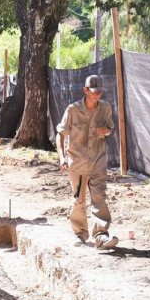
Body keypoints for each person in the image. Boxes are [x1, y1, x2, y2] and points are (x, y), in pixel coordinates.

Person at [56, 75, 118, 250]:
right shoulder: (73, 110)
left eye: (99, 92)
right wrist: (62, 158)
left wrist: (106, 131)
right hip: (78, 162)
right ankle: (80, 232)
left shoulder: (105, 108)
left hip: (98, 160)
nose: (97, 95)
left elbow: (111, 128)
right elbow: (60, 134)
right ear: (85, 90)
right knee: (79, 200)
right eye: (93, 92)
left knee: (99, 198)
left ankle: (101, 235)